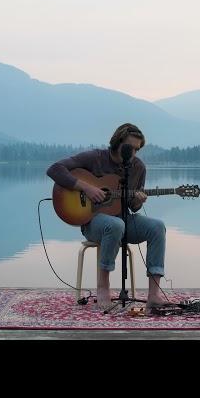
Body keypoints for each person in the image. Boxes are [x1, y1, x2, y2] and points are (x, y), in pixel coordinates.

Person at [46, 123, 167, 311]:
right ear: (117, 142)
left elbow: (133, 207)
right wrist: (86, 187)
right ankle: (103, 287)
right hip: (93, 222)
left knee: (157, 227)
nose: (133, 153)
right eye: (129, 147)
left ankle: (154, 294)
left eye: (137, 149)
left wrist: (139, 200)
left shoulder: (138, 167)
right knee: (115, 225)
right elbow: (55, 169)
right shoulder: (95, 158)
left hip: (123, 219)